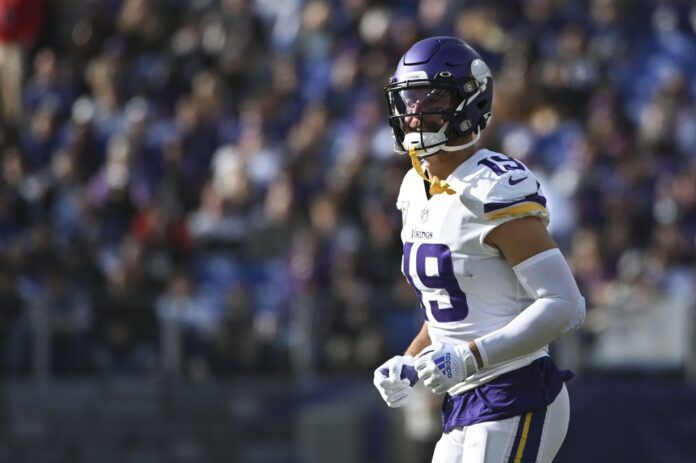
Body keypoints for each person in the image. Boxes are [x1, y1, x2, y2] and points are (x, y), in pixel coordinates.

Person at [373, 37, 586, 463]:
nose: (413, 113)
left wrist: (471, 358)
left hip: (516, 390)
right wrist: (411, 360)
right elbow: (458, 305)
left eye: (431, 100)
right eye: (409, 99)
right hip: (463, 402)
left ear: (468, 105)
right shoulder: (414, 187)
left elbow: (566, 304)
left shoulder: (492, 189)